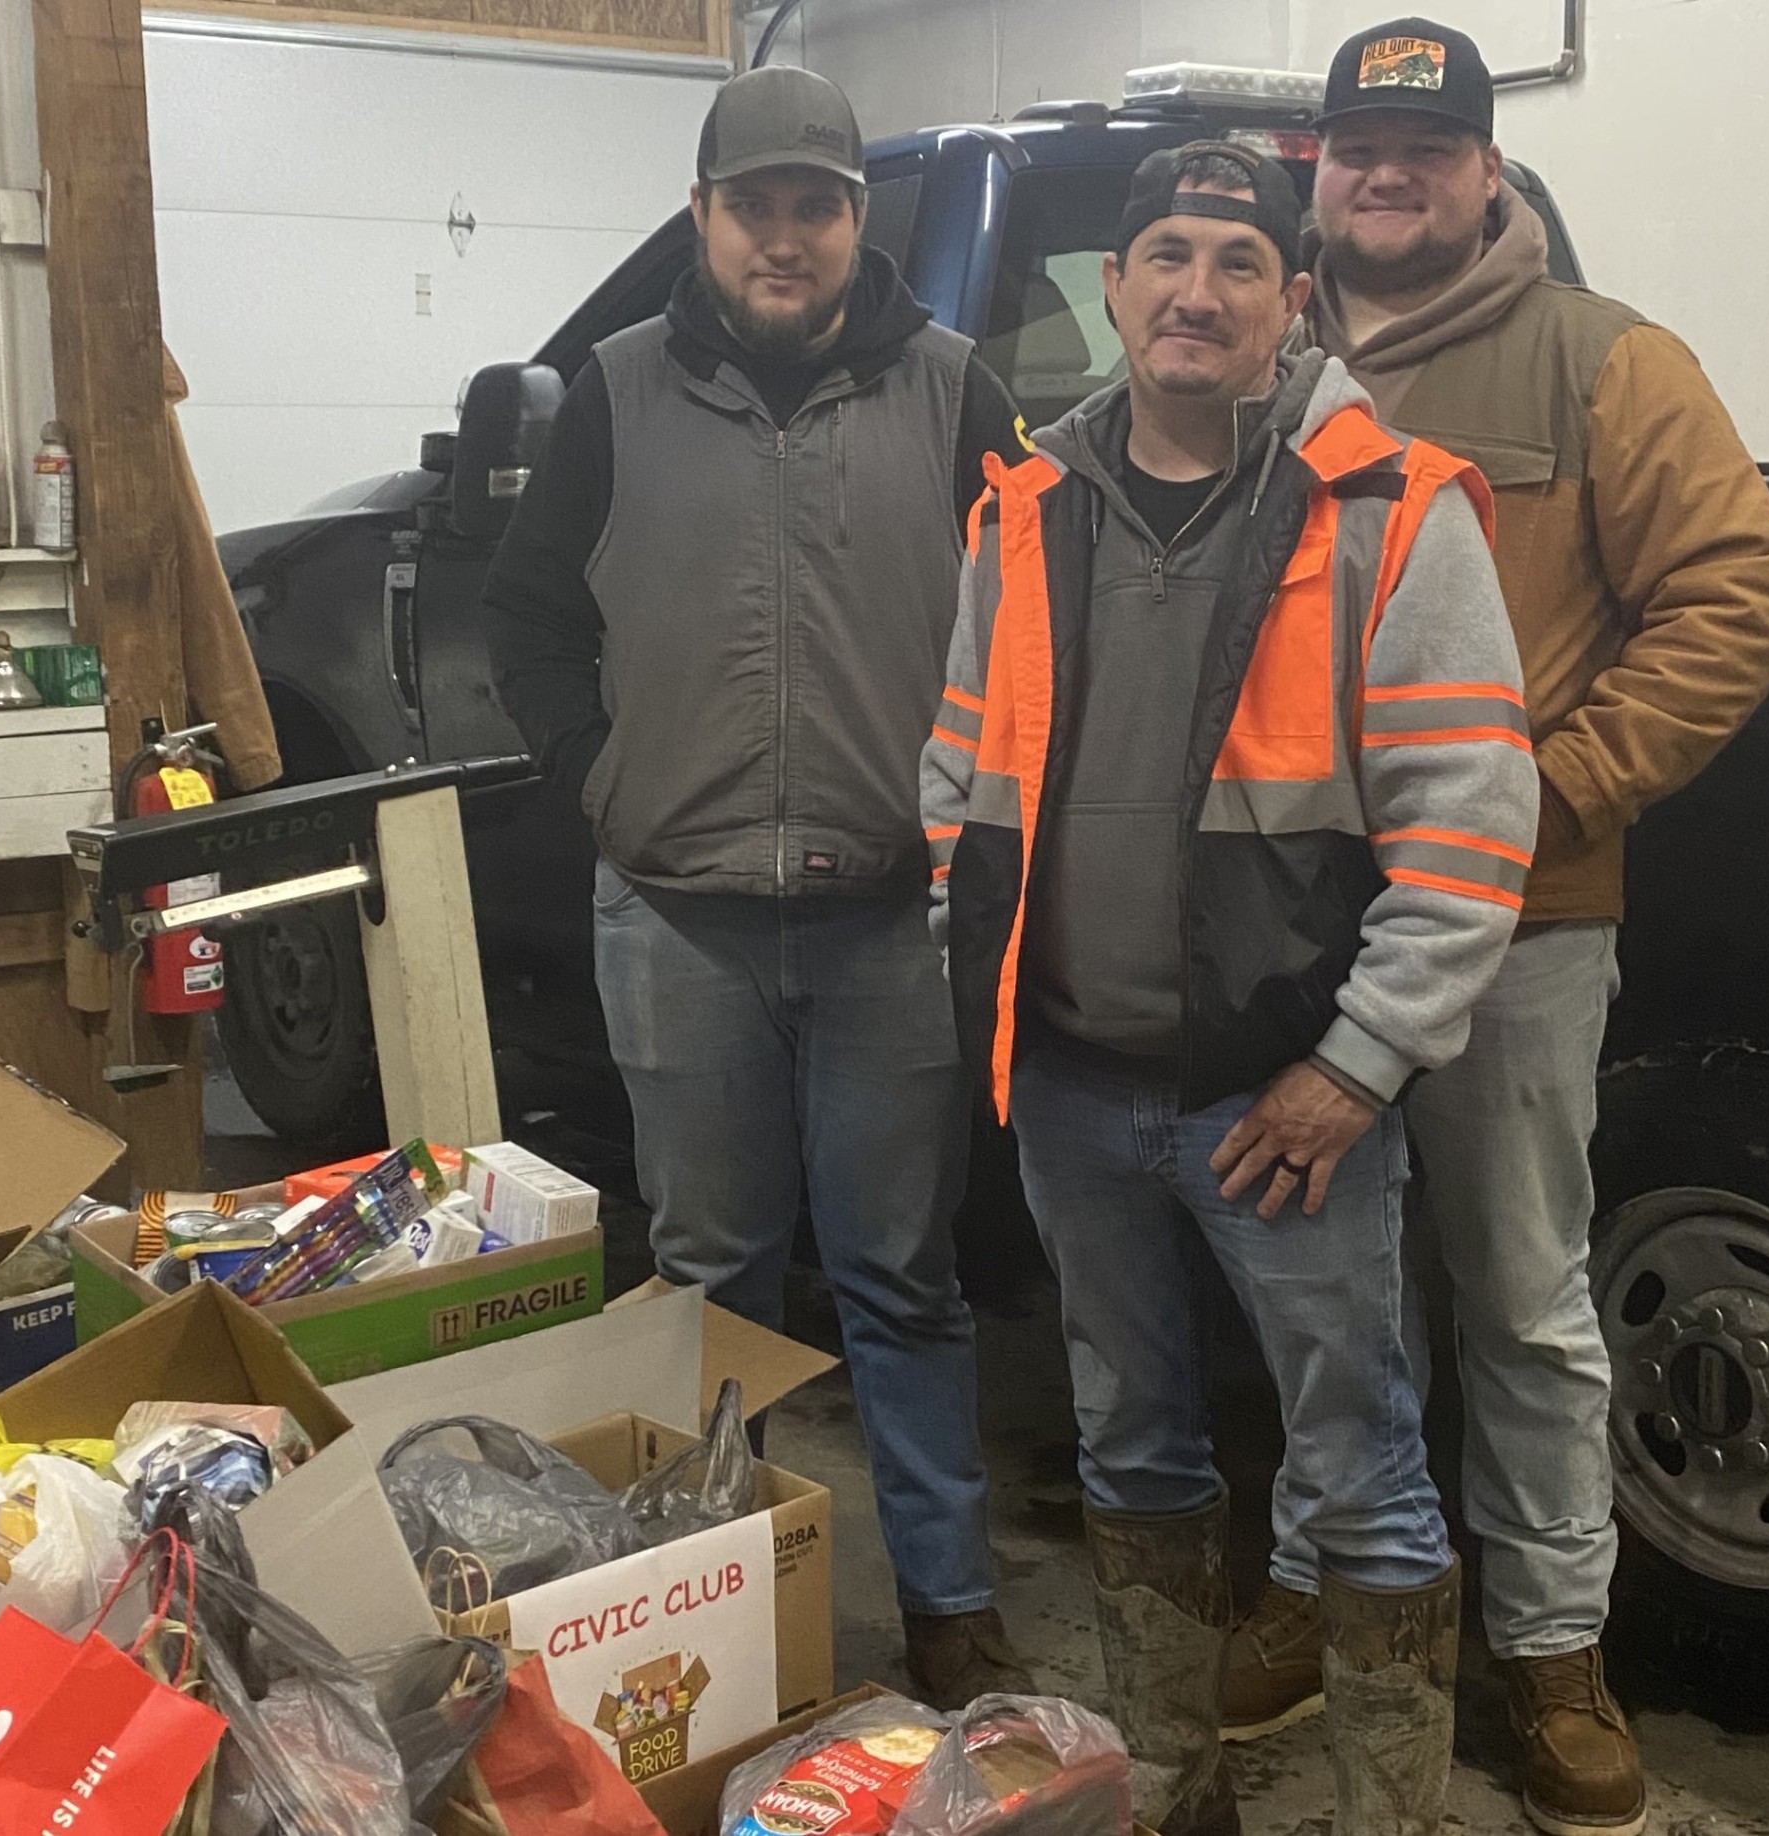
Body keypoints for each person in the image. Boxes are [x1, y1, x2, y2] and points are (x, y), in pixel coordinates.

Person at [922, 139, 1537, 1836]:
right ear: (1110, 289)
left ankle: (1391, 1815)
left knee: (1362, 1476)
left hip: (1286, 1112)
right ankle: (1175, 1799)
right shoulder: (1025, 509)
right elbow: (962, 762)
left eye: (1240, 264)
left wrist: (1359, 1066)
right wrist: (970, 967)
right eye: (1165, 255)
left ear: (1295, 301)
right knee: (1131, 1458)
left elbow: (1474, 827)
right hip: (1068, 1089)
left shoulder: (1388, 513)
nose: (1197, 291)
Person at [1237, 20, 1769, 1836]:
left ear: (1490, 173)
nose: (1386, 175)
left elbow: (1736, 590)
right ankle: (1332, 1594)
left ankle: (1556, 1658)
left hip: (1523, 934)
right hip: (1287, 929)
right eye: (1357, 147)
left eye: (1427, 149)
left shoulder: (1605, 363)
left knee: (1525, 1305)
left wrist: (1542, 798)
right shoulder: (1258, 356)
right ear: (1318, 168)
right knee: (1322, 1297)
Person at [483, 64, 1035, 1709]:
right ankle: (718, 1595)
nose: (782, 240)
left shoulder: (955, 393)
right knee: (710, 1277)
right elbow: (527, 620)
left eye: (817, 207)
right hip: (680, 916)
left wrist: (968, 829)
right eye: (752, 209)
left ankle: (949, 1602)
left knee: (899, 1277)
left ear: (859, 219)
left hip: (887, 919)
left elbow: (1029, 635)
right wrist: (607, 779)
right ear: (706, 220)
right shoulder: (617, 390)